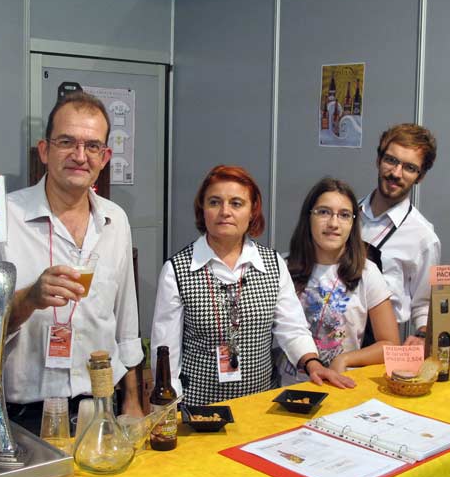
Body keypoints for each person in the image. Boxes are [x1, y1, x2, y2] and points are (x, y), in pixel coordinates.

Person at [0, 92, 143, 431]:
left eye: (92, 147)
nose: (79, 156)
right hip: (23, 414)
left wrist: (131, 399)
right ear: (44, 151)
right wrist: (27, 299)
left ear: (105, 157)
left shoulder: (115, 220)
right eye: (66, 142)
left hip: (100, 405)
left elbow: (125, 321)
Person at [151, 165, 355, 406]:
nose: (225, 212)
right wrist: (169, 411)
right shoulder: (177, 269)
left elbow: (293, 329)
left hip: (259, 406)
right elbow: (166, 351)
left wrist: (312, 363)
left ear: (252, 213)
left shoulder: (273, 263)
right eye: (215, 202)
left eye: (236, 203)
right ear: (202, 210)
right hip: (199, 409)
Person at [278, 178, 399, 385]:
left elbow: (391, 346)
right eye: (323, 212)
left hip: (341, 387)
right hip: (288, 391)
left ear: (353, 223)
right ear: (308, 217)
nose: (333, 223)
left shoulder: (367, 272)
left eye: (344, 215)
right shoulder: (282, 266)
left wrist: (344, 359)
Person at [359, 123, 441, 346]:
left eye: (409, 168)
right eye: (391, 160)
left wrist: (423, 335)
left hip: (378, 345)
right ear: (378, 160)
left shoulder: (423, 237)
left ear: (420, 177)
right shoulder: (346, 215)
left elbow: (424, 303)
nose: (396, 173)